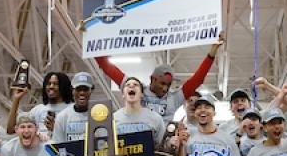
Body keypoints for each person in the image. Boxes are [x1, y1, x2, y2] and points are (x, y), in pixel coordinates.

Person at [94, 35, 223, 121]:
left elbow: (198, 79)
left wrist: (212, 53)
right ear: (152, 79)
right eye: (162, 83)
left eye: (168, 85)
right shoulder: (137, 89)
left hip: (163, 146)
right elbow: (108, 68)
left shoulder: (174, 98)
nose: (165, 88)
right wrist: (92, 41)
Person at [7, 71, 73, 140]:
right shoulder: (38, 110)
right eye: (49, 84)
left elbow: (77, 138)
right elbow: (11, 129)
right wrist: (16, 99)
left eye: (55, 84)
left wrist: (56, 129)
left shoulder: (72, 109)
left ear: (64, 86)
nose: (51, 86)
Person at [52, 71, 95, 142]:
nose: (82, 93)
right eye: (78, 89)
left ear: (91, 90)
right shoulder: (62, 117)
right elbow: (57, 144)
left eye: (85, 89)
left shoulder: (98, 116)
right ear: (72, 90)